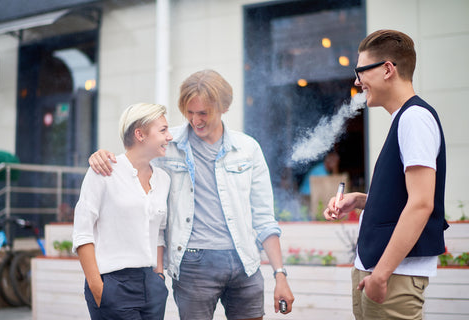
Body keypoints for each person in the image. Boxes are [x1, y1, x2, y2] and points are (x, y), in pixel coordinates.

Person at [89, 69, 294, 319]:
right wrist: (102, 155)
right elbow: (133, 158)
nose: (195, 120)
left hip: (244, 262)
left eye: (203, 113)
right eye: (189, 113)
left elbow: (263, 217)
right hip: (193, 263)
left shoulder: (247, 148)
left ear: (223, 108)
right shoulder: (168, 143)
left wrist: (279, 274)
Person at [324, 30, 448, 320]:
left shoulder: (414, 119)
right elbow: (404, 198)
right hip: (386, 275)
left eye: (361, 71)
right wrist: (358, 200)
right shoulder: (405, 118)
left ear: (388, 69)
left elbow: (421, 203)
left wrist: (381, 274)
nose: (357, 81)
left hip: (393, 277)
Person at [73, 103, 173, 319]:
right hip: (112, 285)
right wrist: (97, 287)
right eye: (163, 130)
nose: (170, 136)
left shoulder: (163, 179)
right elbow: (82, 232)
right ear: (140, 134)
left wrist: (159, 277)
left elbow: (158, 233)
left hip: (151, 286)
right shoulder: (103, 170)